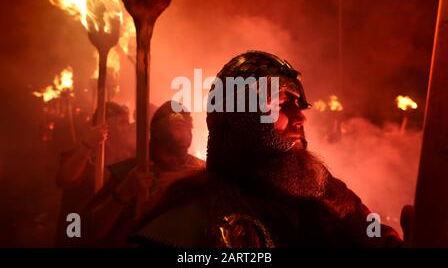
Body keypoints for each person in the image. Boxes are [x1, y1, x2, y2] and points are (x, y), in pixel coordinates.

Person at [129, 51, 403, 248]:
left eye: (299, 105)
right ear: (241, 118)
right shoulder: (194, 214)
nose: (300, 117)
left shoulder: (327, 193)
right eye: (282, 104)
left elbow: (377, 241)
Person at [83, 101, 204, 247]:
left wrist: (189, 178)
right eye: (175, 124)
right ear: (156, 133)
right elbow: (89, 231)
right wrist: (124, 192)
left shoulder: (200, 171)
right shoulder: (132, 171)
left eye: (185, 127)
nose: (184, 130)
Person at [54, 102, 134, 247]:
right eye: (121, 123)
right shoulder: (83, 154)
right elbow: (66, 178)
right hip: (77, 230)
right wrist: (88, 145)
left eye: (126, 123)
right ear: (103, 127)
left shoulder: (127, 158)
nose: (125, 128)